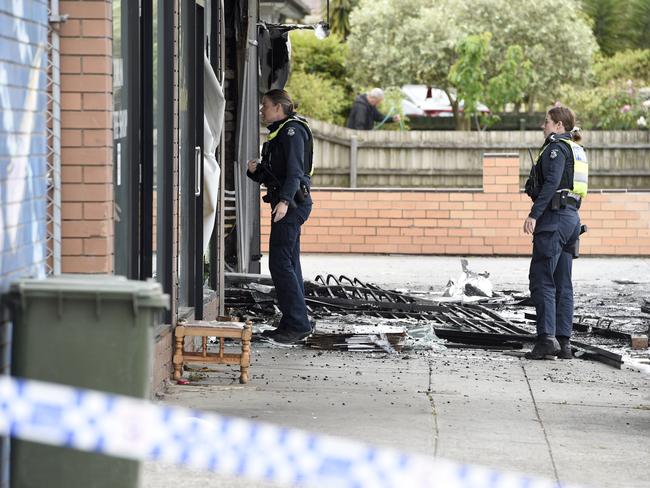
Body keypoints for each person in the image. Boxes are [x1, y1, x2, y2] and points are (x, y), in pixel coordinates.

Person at [247, 89, 313, 345]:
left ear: (278, 107)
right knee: (290, 264)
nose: (262, 110)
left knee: (280, 264)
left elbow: (295, 172)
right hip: (287, 204)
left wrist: (284, 202)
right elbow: (276, 174)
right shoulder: (281, 132)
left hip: (292, 205)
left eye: (265, 106)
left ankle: (297, 324)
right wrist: (255, 171)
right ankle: (293, 321)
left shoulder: (292, 131)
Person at [523, 106, 588, 360]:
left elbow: (551, 183)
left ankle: (545, 341)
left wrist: (534, 214)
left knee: (542, 278)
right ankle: (564, 343)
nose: (544, 126)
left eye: (547, 122)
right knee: (563, 283)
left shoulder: (556, 149)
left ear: (559, 125)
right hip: (571, 219)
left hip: (554, 219)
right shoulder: (576, 149)